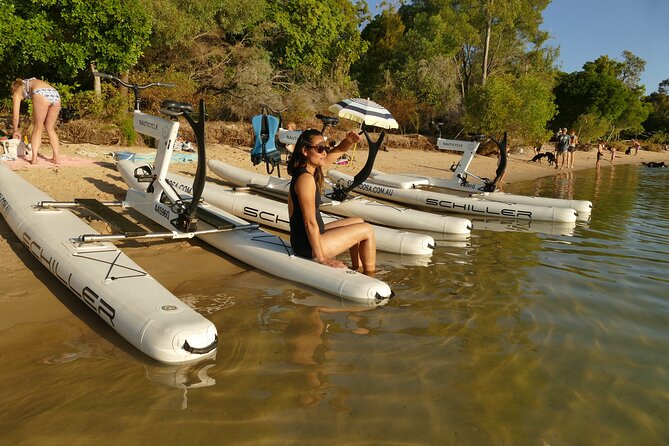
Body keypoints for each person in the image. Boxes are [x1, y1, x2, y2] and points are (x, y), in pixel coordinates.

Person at [287, 129, 376, 274]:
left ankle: (357, 268)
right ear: (305, 150)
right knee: (367, 229)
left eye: (325, 148)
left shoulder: (310, 169)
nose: (324, 153)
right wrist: (321, 257)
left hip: (309, 238)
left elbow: (339, 150)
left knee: (359, 221)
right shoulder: (306, 179)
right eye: (320, 148)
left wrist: (349, 141)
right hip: (307, 246)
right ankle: (371, 274)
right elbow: (309, 222)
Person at [11, 77, 61, 164]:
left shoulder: (17, 92)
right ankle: (56, 158)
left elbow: (15, 116)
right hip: (55, 93)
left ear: (14, 88)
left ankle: (34, 159)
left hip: (41, 93)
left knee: (38, 126)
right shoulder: (31, 81)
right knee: (50, 128)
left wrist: (15, 130)